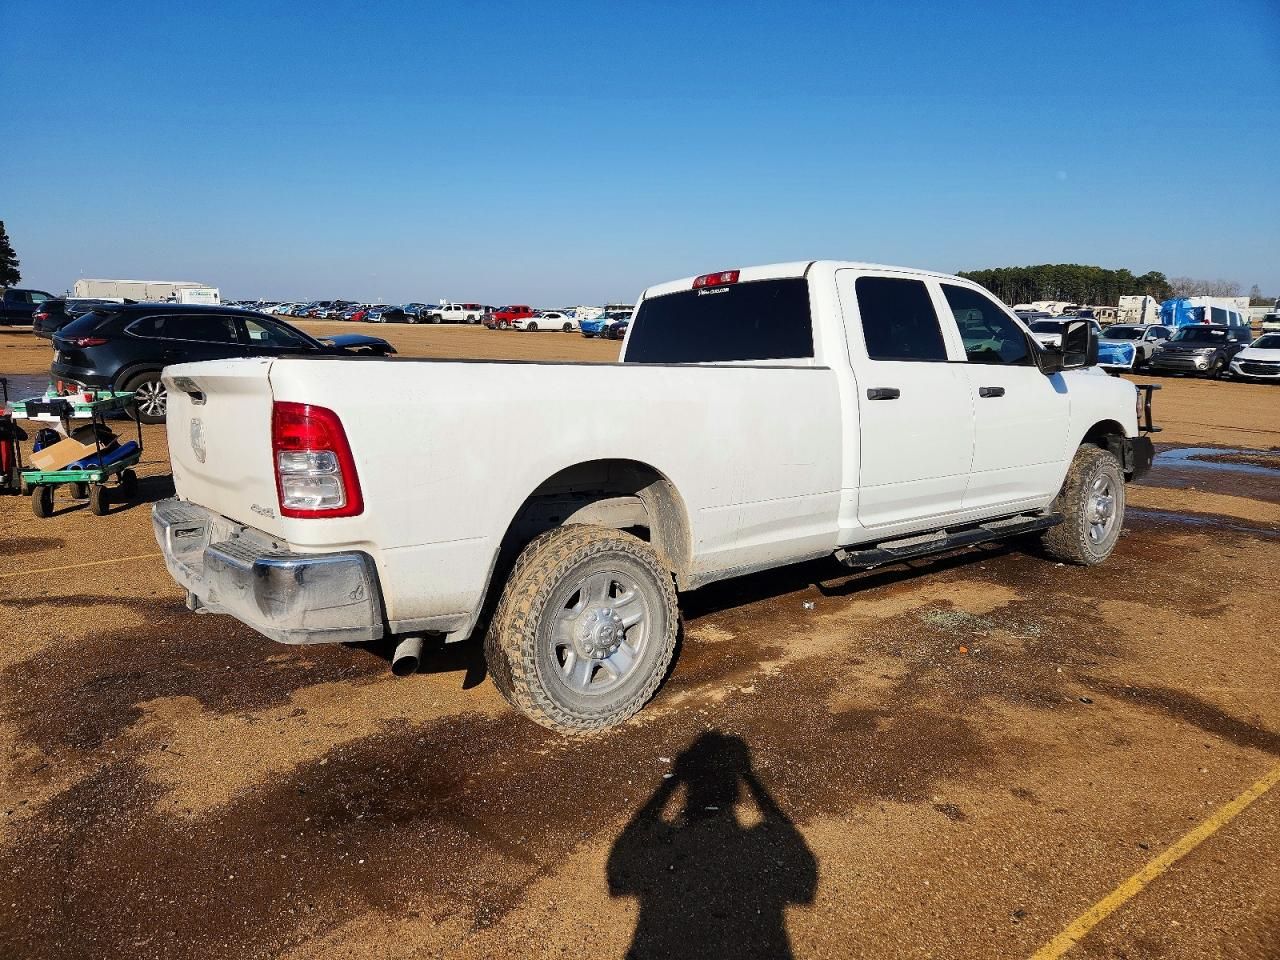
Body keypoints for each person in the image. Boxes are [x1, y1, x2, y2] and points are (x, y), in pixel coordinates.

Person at [608, 731, 817, 959]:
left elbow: (624, 858)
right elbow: (799, 868)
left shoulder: (661, 852)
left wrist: (674, 780)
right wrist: (749, 778)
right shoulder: (757, 845)